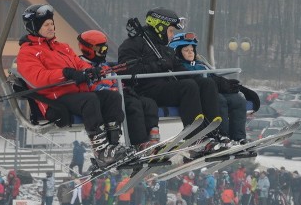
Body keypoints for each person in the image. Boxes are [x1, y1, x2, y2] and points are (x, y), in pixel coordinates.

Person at [16, 4, 128, 166]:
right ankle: (101, 151)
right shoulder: (28, 53)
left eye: (52, 23)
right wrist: (66, 73)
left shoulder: (62, 47)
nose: (51, 27)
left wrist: (90, 71)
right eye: (46, 25)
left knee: (111, 97)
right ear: (34, 27)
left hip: (75, 94)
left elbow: (79, 64)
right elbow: (37, 78)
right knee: (90, 100)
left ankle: (113, 145)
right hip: (55, 99)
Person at [118, 9, 224, 149]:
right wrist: (156, 65)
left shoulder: (164, 49)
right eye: (171, 31)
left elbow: (181, 70)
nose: (172, 35)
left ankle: (214, 132)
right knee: (188, 86)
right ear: (160, 28)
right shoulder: (133, 44)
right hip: (145, 90)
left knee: (206, 83)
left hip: (164, 87)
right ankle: (194, 137)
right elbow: (127, 71)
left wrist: (218, 82)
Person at [78, 29, 161, 151]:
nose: (104, 52)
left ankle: (152, 139)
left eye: (105, 49)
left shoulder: (104, 65)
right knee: (132, 105)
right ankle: (139, 143)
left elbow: (115, 79)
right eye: (101, 50)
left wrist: (124, 87)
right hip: (103, 99)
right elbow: (89, 86)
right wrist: (114, 90)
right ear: (88, 49)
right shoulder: (82, 66)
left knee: (149, 103)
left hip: (116, 94)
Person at [169, 32, 259, 143]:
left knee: (238, 100)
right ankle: (222, 135)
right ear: (177, 52)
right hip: (200, 94)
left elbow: (215, 77)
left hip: (213, 89)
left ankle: (239, 137)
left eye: (192, 50)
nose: (190, 53)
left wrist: (233, 87)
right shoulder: (179, 67)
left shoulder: (201, 64)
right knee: (219, 100)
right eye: (186, 50)